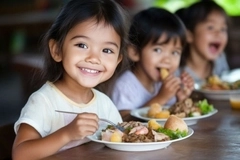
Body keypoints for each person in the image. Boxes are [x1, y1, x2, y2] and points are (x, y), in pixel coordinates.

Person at [12, 0, 129, 159]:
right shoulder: (44, 102)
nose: (94, 58)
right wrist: (67, 133)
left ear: (118, 60)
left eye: (107, 50)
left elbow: (121, 143)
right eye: (82, 45)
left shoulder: (105, 104)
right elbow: (20, 154)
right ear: (57, 50)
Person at [108, 7, 194, 121]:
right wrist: (161, 98)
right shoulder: (125, 85)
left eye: (175, 52)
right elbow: (123, 120)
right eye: (158, 50)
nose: (167, 60)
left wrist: (180, 99)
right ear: (135, 52)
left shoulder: (160, 84)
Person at [175, 1, 230, 85]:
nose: (218, 34)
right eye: (210, 27)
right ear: (189, 36)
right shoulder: (176, 71)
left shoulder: (220, 60)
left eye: (223, 29)